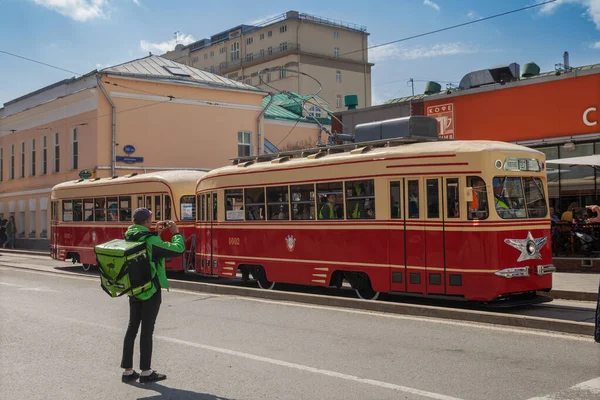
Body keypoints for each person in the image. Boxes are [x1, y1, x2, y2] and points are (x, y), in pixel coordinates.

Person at [120, 208, 184, 383]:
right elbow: (178, 250)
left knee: (132, 328)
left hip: (134, 289)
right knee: (147, 330)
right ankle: (146, 371)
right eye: (150, 220)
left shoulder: (129, 236)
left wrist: (156, 233)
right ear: (147, 221)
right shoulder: (151, 239)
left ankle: (127, 371)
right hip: (150, 290)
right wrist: (176, 233)